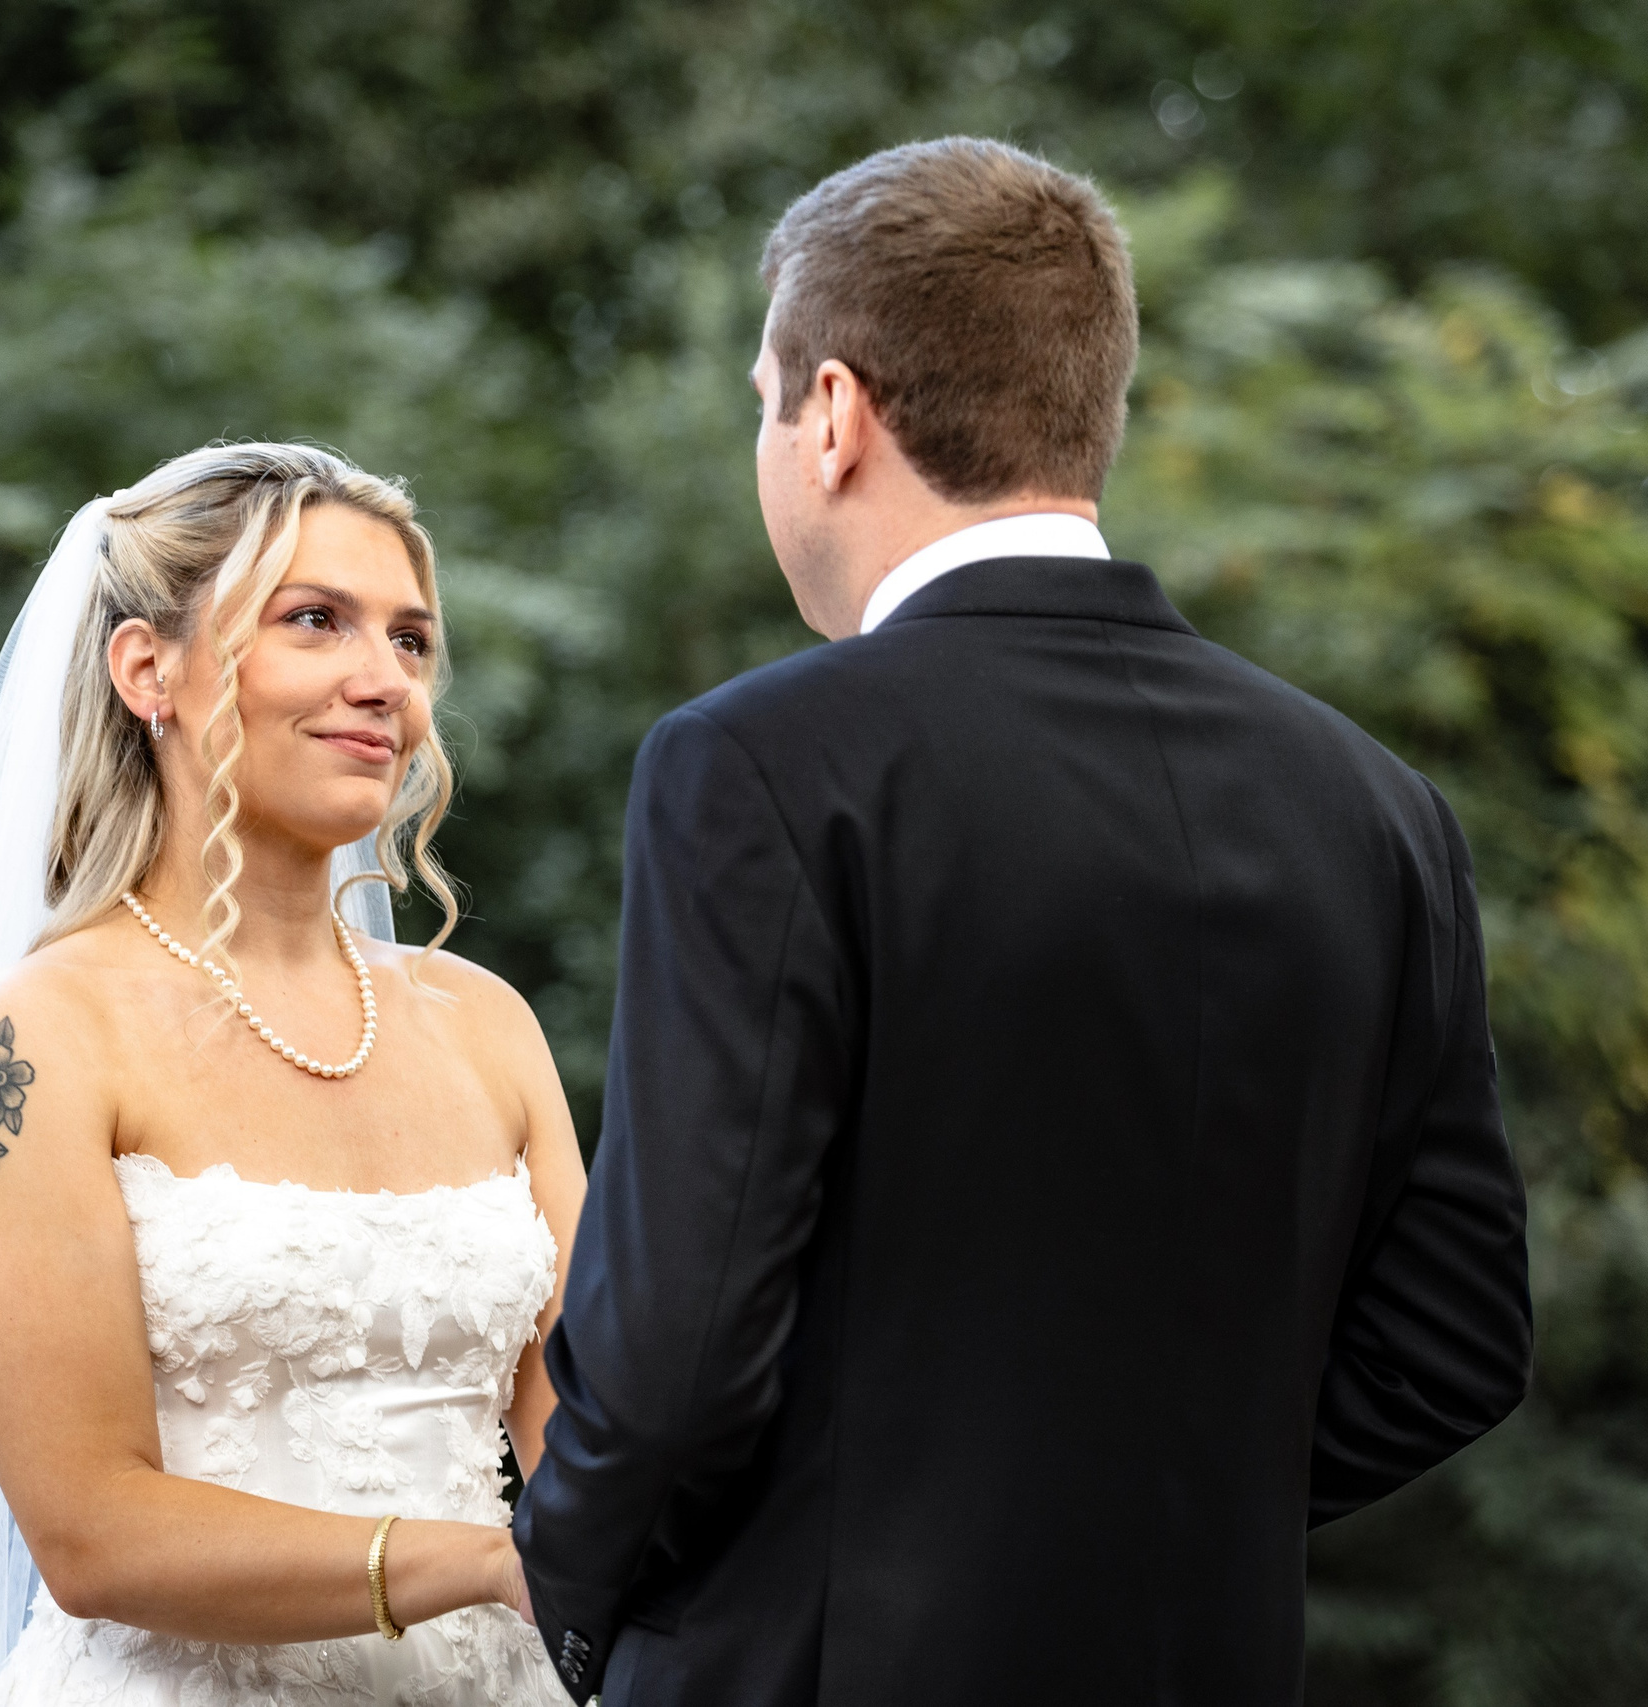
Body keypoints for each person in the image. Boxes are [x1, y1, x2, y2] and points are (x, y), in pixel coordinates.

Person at [513, 137, 1535, 1705]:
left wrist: (564, 1600)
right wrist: (1149, 1508)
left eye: (760, 401)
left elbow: (679, 1351)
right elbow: (1457, 1338)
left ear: (835, 414)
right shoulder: (1381, 808)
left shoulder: (761, 767)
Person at [0, 443, 583, 1707]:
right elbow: (91, 1533)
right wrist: (480, 1564)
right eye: (316, 621)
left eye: (412, 641)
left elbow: (584, 1437)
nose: (384, 682)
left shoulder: (486, 1025)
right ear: (148, 669)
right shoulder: (32, 1040)